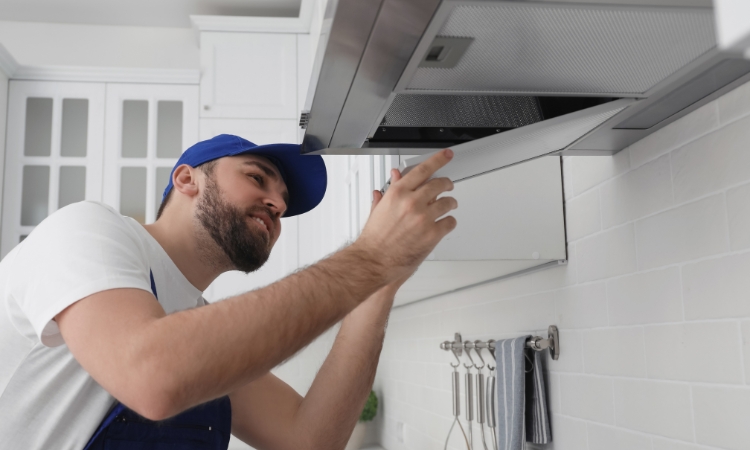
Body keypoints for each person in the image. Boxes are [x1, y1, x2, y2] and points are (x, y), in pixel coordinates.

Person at [0, 134, 457, 449]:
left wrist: (379, 287)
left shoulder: (197, 330)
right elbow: (152, 375)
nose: (278, 204)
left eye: (283, 201)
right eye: (257, 178)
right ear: (187, 179)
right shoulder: (86, 229)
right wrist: (369, 259)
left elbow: (309, 440)